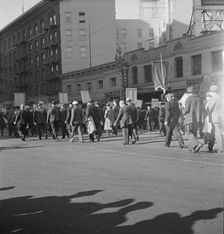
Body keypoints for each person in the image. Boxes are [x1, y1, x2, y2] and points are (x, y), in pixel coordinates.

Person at [183, 86, 203, 153]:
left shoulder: (189, 98)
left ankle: (197, 144)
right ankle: (192, 148)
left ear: (189, 93)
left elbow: (186, 109)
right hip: (197, 119)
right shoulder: (199, 99)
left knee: (189, 133)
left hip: (190, 118)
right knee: (194, 134)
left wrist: (182, 113)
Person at [206, 85, 223, 153]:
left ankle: (220, 148)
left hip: (215, 117)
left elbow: (209, 108)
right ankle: (210, 147)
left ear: (212, 92)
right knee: (213, 132)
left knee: (217, 132)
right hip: (219, 117)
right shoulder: (220, 97)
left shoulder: (214, 98)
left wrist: (208, 101)